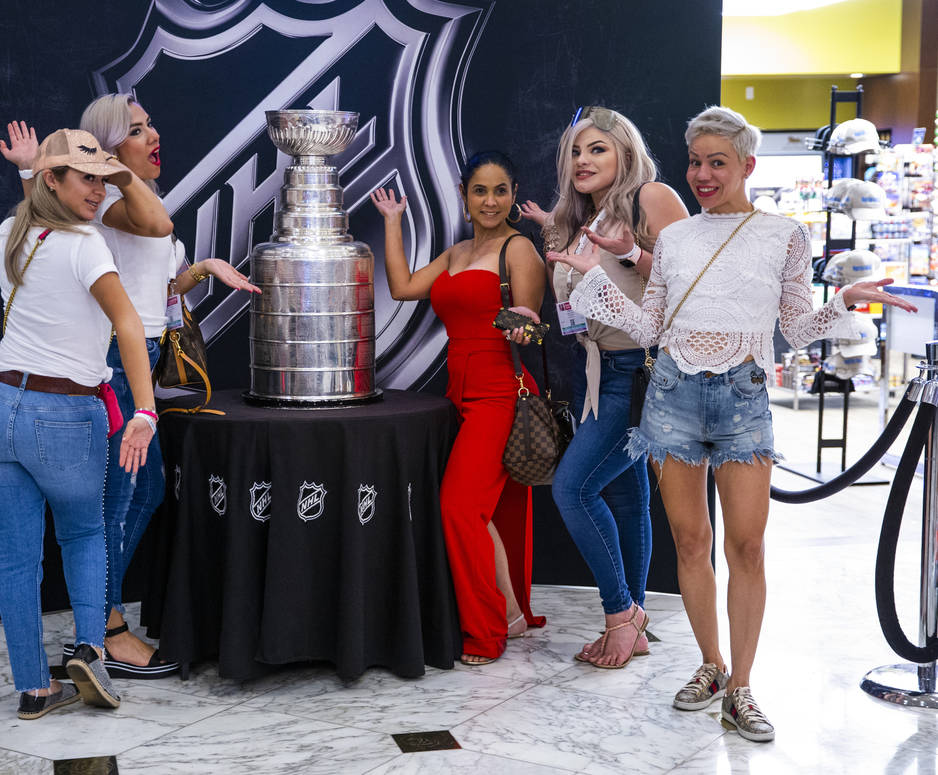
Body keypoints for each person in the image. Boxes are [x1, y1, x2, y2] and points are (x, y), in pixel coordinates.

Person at [550, 106, 917, 741]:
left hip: (743, 397)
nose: (701, 174)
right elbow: (651, 327)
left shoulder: (783, 235)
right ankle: (711, 667)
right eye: (695, 161)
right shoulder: (678, 239)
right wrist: (595, 281)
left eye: (717, 162)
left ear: (747, 165)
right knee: (691, 545)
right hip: (671, 397)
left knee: (746, 547)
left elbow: (797, 331)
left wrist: (843, 305)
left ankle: (742, 688)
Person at [0, 97, 261, 677]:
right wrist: (109, 171)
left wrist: (205, 269)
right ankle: (107, 629)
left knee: (137, 497)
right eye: (135, 131)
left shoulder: (128, 197)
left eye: (150, 125)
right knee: (117, 502)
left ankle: (100, 623)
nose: (152, 135)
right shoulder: (113, 201)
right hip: (117, 365)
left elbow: (160, 284)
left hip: (137, 357)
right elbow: (156, 227)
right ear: (106, 156)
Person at [0, 128, 157, 719]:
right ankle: (90, 654)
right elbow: (128, 324)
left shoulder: (10, 234)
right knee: (84, 534)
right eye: (86, 178)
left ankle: (33, 689)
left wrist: (31, 171)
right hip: (63, 417)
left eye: (103, 177)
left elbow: (30, 209)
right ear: (55, 179)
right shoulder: (85, 244)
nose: (99, 191)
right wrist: (144, 411)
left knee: (16, 559)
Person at [371, 151, 547, 665]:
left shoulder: (520, 250)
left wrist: (524, 322)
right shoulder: (456, 252)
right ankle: (510, 613)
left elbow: (533, 326)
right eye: (479, 190)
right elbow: (403, 287)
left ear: (513, 194)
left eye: (500, 190)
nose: (490, 201)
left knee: (460, 508)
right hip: (458, 393)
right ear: (464, 195)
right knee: (478, 513)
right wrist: (392, 223)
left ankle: (485, 633)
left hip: (499, 391)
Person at [539, 107, 688, 669]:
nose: (583, 160)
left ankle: (621, 615)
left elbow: (690, 280)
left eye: (597, 148)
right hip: (594, 372)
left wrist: (628, 252)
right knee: (627, 496)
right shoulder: (587, 216)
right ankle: (636, 622)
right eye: (576, 151)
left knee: (574, 491)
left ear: (625, 151)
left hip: (637, 372)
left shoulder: (651, 196)